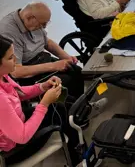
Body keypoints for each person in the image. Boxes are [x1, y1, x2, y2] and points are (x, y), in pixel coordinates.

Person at [0, 35, 80, 165]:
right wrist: (44, 103)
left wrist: (42, 86)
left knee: (62, 107)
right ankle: (78, 157)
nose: (15, 60)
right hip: (12, 151)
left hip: (16, 123)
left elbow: (18, 92)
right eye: (10, 58)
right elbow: (22, 137)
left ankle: (76, 143)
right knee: (60, 112)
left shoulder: (3, 76)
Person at [0, 2, 84, 100]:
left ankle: (86, 101)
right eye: (42, 24)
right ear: (30, 17)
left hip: (42, 59)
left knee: (77, 71)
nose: (43, 27)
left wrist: (66, 57)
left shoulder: (31, 22)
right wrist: (54, 66)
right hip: (28, 71)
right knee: (65, 81)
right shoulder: (8, 31)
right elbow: (16, 71)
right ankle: (74, 109)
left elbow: (47, 42)